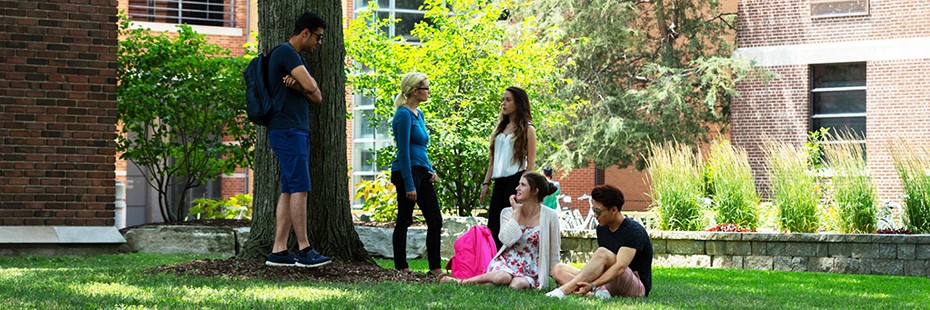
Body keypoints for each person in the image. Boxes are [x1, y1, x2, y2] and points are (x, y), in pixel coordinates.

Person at [264, 12, 332, 268]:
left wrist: (300, 86)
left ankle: (279, 250)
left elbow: (317, 97)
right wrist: (306, 86)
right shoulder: (285, 53)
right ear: (305, 32)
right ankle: (304, 250)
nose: (319, 42)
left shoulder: (298, 58)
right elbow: (313, 87)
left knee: (290, 187)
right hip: (288, 129)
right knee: (300, 187)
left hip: (295, 130)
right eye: (318, 37)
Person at [440, 172, 560, 290]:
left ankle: (470, 283)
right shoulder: (507, 213)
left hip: (531, 269)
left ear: (535, 191)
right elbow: (506, 240)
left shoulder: (551, 216)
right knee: (501, 278)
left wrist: (558, 279)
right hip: (507, 262)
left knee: (516, 285)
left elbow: (554, 251)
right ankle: (462, 282)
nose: (517, 188)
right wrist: (515, 215)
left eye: (523, 185)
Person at [546, 184, 653, 299]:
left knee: (602, 253)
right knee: (558, 269)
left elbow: (620, 267)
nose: (594, 215)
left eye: (597, 211)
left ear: (613, 210)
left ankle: (564, 290)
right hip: (609, 281)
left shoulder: (632, 231)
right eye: (593, 210)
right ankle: (598, 293)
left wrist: (593, 284)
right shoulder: (602, 229)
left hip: (635, 287)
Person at [390, 72, 444, 278]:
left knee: (435, 219)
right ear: (415, 91)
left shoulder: (418, 114)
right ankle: (401, 265)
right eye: (426, 88)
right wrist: (409, 183)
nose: (429, 92)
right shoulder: (403, 114)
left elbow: (421, 148)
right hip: (406, 172)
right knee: (404, 218)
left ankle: (435, 267)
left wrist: (430, 171)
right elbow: (403, 150)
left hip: (422, 171)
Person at [479, 86, 537, 249]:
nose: (503, 103)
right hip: (499, 181)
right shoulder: (500, 128)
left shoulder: (528, 128)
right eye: (503, 99)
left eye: (508, 100)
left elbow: (531, 162)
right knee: (493, 224)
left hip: (515, 180)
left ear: (518, 103)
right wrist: (486, 183)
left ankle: (508, 261)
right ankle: (492, 261)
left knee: (509, 223)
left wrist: (522, 186)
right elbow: (493, 159)